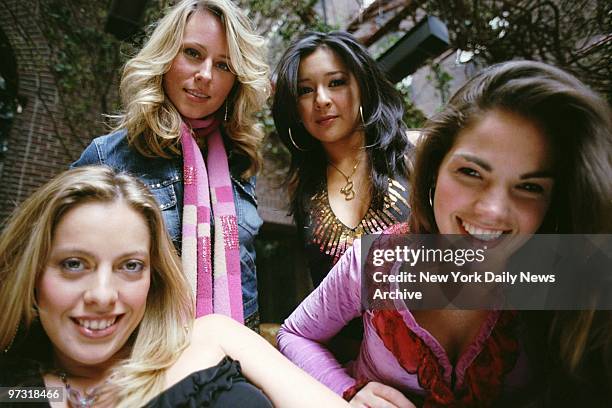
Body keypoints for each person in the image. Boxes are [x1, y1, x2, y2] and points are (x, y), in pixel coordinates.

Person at [277, 60, 612, 407]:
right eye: (470, 171)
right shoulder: (376, 259)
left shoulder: (572, 282)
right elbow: (294, 334)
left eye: (529, 186)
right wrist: (347, 389)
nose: (493, 210)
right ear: (434, 169)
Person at [0, 166, 349, 408]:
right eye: (74, 264)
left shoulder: (215, 337)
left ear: (155, 279)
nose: (103, 295)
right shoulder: (18, 391)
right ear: (33, 276)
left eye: (130, 266)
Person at [72, 0, 270, 329]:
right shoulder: (110, 156)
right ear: (166, 57)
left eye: (223, 65)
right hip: (143, 354)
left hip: (233, 357)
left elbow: (245, 276)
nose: (205, 75)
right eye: (192, 53)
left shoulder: (240, 162)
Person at [272, 31, 413, 288]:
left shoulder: (413, 150)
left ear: (363, 87)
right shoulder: (304, 191)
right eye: (305, 90)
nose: (321, 100)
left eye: (336, 82)